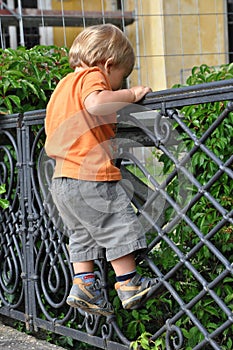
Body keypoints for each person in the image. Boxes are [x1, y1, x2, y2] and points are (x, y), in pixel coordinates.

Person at [44, 23, 158, 317]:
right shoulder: (94, 76)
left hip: (62, 179)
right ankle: (129, 282)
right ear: (108, 65)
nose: (118, 86)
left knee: (81, 232)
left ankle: (84, 285)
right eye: (121, 79)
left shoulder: (63, 86)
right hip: (90, 175)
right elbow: (95, 103)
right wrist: (131, 95)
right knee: (117, 222)